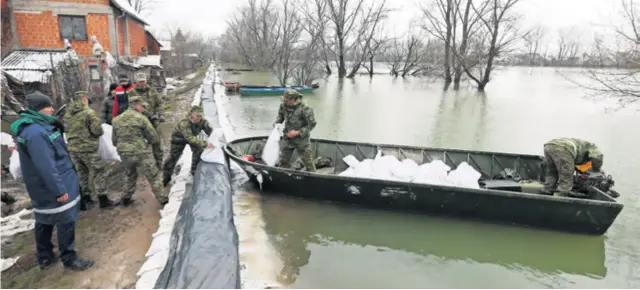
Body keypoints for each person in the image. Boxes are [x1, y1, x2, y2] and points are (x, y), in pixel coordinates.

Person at [10, 91, 94, 271]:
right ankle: (69, 258)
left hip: (44, 185)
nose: (52, 109)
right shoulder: (36, 133)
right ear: (40, 109)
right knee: (66, 219)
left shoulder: (34, 127)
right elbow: (45, 166)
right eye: (48, 106)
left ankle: (45, 256)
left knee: (44, 218)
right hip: (55, 184)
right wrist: (59, 190)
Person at [63, 91, 118, 209]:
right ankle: (103, 200)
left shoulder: (68, 115)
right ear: (84, 99)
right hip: (88, 149)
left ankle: (86, 199)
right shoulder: (89, 113)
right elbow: (97, 131)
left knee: (82, 173)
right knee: (99, 172)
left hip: (73, 149)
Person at [112, 96, 167, 206]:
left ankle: (126, 199)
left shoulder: (117, 119)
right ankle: (163, 200)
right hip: (140, 152)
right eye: (143, 106)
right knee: (153, 176)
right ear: (137, 105)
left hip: (124, 153)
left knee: (130, 175)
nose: (144, 109)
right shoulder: (141, 118)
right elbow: (154, 138)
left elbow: (114, 141)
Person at [162, 106, 213, 187]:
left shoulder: (202, 121)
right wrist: (205, 143)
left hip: (191, 137)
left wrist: (213, 138)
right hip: (179, 140)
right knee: (173, 157)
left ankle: (194, 170)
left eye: (200, 116)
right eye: (197, 115)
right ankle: (165, 178)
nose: (199, 118)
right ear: (192, 114)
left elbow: (210, 132)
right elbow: (189, 138)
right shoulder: (184, 123)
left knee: (199, 149)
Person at [273, 89, 317, 172]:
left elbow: (312, 124)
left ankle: (315, 180)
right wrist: (277, 122)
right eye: (284, 99)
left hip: (302, 141)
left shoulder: (305, 109)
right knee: (283, 161)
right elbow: (281, 116)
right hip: (288, 139)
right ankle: (283, 176)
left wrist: (297, 132)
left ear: (293, 99)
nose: (285, 102)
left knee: (309, 164)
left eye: (287, 100)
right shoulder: (283, 106)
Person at [130, 72, 164, 169]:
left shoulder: (152, 91)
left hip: (153, 122)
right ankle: (139, 164)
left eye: (143, 81)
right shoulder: (131, 93)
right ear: (136, 81)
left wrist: (160, 113)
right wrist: (148, 114)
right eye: (139, 81)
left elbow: (160, 103)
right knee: (138, 144)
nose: (142, 83)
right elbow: (131, 107)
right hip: (137, 123)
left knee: (156, 142)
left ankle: (159, 162)